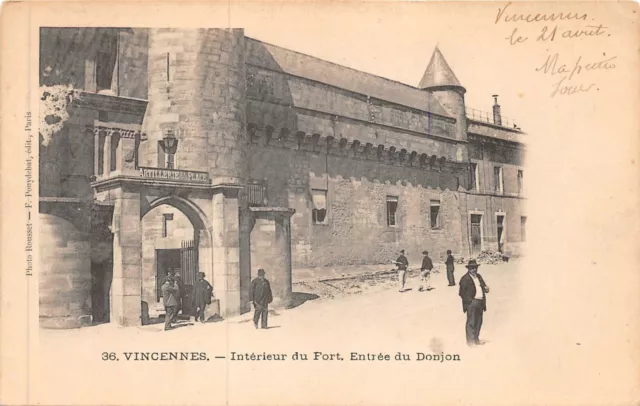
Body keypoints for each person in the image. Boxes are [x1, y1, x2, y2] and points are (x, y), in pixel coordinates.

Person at [458, 259, 490, 347]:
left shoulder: (479, 276)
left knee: (479, 322)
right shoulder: (465, 278)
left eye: (475, 268)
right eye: (472, 268)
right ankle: (470, 342)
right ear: (468, 269)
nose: (474, 269)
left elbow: (483, 286)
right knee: (471, 322)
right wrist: (470, 302)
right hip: (472, 303)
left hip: (480, 302)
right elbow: (461, 293)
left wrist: (486, 288)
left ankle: (476, 339)